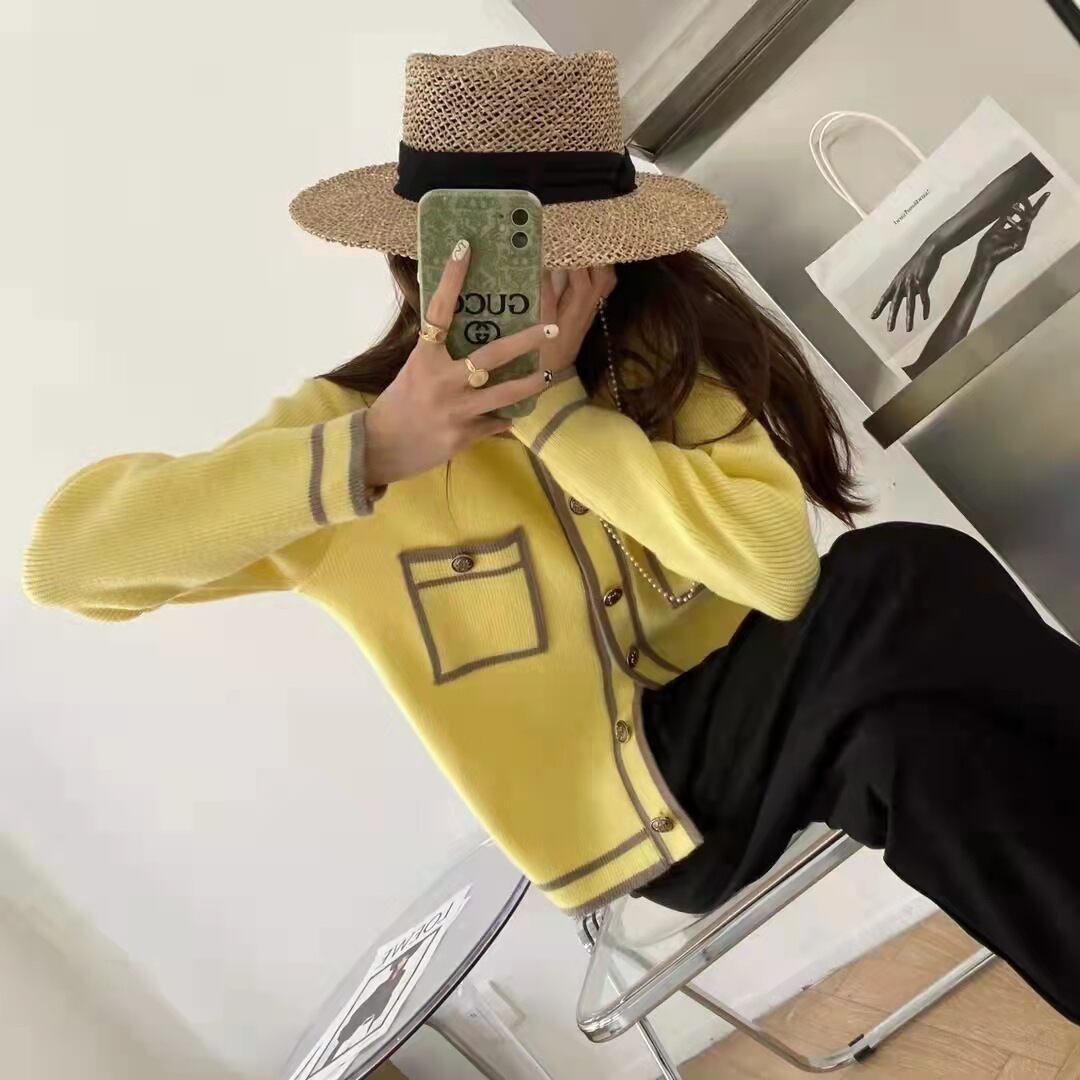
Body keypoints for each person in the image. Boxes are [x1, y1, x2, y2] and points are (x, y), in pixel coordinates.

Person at [21, 46, 1080, 1025]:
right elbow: (65, 565)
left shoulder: (655, 356)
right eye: (493, 250)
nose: (529, 279)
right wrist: (374, 452)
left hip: (782, 723)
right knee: (903, 571)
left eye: (559, 250)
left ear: (609, 258)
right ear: (417, 253)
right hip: (648, 818)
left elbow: (775, 572)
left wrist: (556, 416)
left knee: (923, 757)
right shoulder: (348, 436)